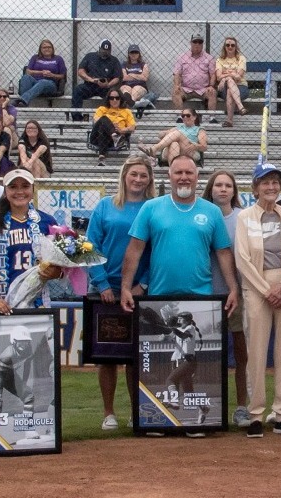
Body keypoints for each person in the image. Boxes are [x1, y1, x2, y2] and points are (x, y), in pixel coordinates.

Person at [84, 156, 156, 430]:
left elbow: (155, 251)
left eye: (143, 175)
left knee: (136, 356)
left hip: (138, 290)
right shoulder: (105, 206)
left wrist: (143, 285)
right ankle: (108, 412)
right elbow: (89, 246)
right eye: (134, 174)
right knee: (107, 356)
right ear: (124, 175)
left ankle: (137, 409)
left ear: (150, 179)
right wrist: (102, 284)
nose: (138, 180)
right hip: (104, 290)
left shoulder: (152, 208)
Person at [233, 161, 281, 437]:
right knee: (257, 353)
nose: (271, 187)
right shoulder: (244, 217)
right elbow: (242, 259)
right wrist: (267, 290)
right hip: (257, 288)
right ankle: (255, 415)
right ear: (255, 187)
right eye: (265, 182)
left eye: (275, 182)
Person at [118, 154, 236, 311]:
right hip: (159, 297)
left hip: (202, 298)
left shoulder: (212, 211)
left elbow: (223, 253)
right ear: (169, 176)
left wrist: (234, 288)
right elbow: (134, 251)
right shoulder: (151, 208)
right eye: (178, 173)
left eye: (189, 173)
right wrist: (125, 288)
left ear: (197, 176)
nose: (184, 177)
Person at [0, 169, 59, 312]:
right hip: (3, 300)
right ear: (5, 192)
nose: (19, 191)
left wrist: (56, 273)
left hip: (37, 300)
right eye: (13, 187)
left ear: (33, 189)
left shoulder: (47, 221)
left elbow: (59, 265)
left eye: (25, 186)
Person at [205, 169, 251, 424]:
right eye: (218, 185)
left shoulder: (242, 218)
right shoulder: (200, 215)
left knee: (242, 354)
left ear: (234, 191)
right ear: (211, 189)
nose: (223, 189)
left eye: (228, 185)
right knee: (209, 355)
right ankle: (211, 405)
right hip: (208, 293)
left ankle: (241, 406)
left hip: (239, 294)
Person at [71, 39, 123, 117]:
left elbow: (117, 77)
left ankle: (113, 117)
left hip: (106, 88)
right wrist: (92, 80)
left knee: (115, 95)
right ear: (99, 48)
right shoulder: (90, 56)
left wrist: (108, 84)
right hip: (90, 85)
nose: (105, 52)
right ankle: (77, 118)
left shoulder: (114, 60)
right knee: (77, 90)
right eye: (103, 50)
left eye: (107, 51)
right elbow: (81, 71)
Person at [172, 34, 216, 117]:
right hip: (186, 89)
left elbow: (213, 74)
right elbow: (177, 73)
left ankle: (212, 117)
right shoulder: (182, 57)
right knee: (175, 92)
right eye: (195, 42)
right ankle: (180, 117)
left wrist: (211, 86)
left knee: (212, 92)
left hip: (203, 89)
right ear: (190, 43)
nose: (197, 44)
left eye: (200, 42)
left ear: (202, 44)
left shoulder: (209, 58)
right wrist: (177, 85)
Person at [87, 90, 138, 161]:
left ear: (121, 99)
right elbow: (96, 121)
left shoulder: (126, 111)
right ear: (108, 99)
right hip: (96, 138)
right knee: (103, 119)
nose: (114, 100)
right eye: (112, 98)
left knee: (102, 129)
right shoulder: (102, 109)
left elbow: (132, 127)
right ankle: (115, 136)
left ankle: (102, 155)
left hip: (113, 139)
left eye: (117, 98)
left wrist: (121, 130)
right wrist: (111, 126)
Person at [16, 39, 67, 105]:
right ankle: (24, 101)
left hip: (50, 84)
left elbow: (62, 75)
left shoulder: (58, 59)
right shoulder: (35, 58)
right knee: (25, 77)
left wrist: (52, 75)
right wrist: (41, 72)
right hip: (35, 83)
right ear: (40, 49)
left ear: (52, 48)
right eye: (44, 47)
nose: (47, 49)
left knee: (43, 82)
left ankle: (22, 100)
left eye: (49, 47)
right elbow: (28, 72)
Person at [213, 37, 247, 127]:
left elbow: (239, 77)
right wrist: (232, 74)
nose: (230, 47)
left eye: (233, 45)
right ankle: (241, 107)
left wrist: (225, 77)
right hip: (223, 88)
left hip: (241, 87)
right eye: (227, 45)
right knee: (230, 84)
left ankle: (229, 121)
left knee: (230, 90)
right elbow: (218, 77)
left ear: (236, 47)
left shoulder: (241, 58)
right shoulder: (219, 60)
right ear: (224, 47)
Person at [119, 45, 152, 112]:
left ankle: (128, 106)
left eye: (136, 52)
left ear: (139, 54)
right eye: (132, 52)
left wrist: (131, 74)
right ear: (129, 54)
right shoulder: (124, 64)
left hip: (140, 86)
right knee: (126, 89)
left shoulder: (143, 65)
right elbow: (124, 78)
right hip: (126, 85)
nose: (134, 54)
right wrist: (138, 76)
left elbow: (145, 78)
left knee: (136, 89)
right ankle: (133, 105)